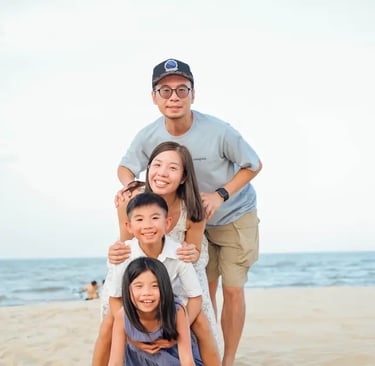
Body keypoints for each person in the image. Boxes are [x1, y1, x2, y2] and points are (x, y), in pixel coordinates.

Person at [113, 58, 262, 366]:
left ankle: (228, 360)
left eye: (182, 89)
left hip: (233, 214)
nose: (174, 97)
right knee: (202, 289)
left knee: (232, 289)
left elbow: (253, 163)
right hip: (193, 221)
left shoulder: (219, 131)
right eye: (164, 91)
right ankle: (197, 354)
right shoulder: (149, 134)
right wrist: (134, 188)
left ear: (193, 94)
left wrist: (220, 195)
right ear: (154, 97)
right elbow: (125, 167)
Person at [111, 141, 220, 345]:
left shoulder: (193, 207)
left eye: (172, 168)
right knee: (111, 318)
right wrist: (116, 252)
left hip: (178, 263)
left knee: (202, 321)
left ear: (184, 177)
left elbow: (193, 249)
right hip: (141, 263)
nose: (162, 173)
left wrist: (192, 253)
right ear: (148, 168)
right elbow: (126, 243)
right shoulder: (130, 199)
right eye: (157, 165)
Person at [94, 192, 220, 365]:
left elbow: (195, 297)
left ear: (167, 223)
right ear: (128, 226)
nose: (148, 225)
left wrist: (178, 330)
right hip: (136, 306)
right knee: (109, 321)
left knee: (201, 322)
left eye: (154, 218)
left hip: (169, 306)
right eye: (139, 220)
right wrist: (131, 335)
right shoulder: (124, 253)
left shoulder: (178, 253)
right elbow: (115, 299)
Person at [109, 256, 200, 366]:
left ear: (164, 287)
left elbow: (187, 361)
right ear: (127, 289)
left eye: (155, 286)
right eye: (139, 286)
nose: (147, 292)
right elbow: (115, 362)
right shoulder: (123, 316)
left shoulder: (177, 310)